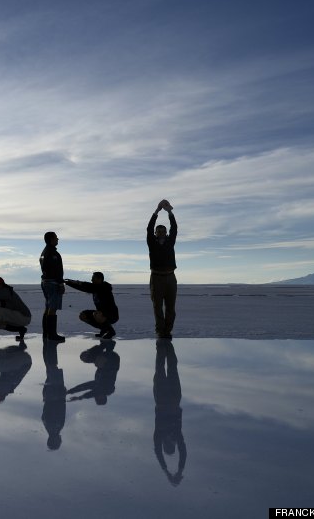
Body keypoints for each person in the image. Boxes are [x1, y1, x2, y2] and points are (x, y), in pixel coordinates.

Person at [154, 339, 186, 486]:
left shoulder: (159, 435)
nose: (172, 442)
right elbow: (183, 452)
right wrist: (178, 471)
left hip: (162, 398)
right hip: (173, 398)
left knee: (161, 368)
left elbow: (158, 452)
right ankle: (167, 344)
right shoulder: (177, 434)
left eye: (169, 444)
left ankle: (162, 344)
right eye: (173, 445)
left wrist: (167, 471)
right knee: (172, 368)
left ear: (164, 444)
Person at [147, 200, 178, 339]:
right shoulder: (152, 243)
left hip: (170, 277)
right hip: (156, 278)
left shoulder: (170, 242)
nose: (160, 232)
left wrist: (169, 212)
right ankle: (160, 331)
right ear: (155, 233)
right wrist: (157, 211)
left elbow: (175, 228)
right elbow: (149, 228)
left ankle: (168, 330)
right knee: (157, 307)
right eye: (158, 231)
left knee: (170, 307)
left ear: (166, 233)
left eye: (163, 231)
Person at [64, 272, 119, 339]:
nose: (91, 280)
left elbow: (86, 286)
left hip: (112, 315)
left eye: (93, 278)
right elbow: (85, 287)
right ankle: (104, 328)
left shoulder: (104, 288)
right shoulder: (95, 288)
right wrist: (69, 283)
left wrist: (70, 283)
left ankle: (111, 331)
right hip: (102, 314)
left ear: (99, 279)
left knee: (97, 314)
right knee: (83, 315)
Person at [39, 231, 65, 342]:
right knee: (52, 308)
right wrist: (60, 283)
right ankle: (52, 335)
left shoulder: (44, 252)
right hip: (52, 283)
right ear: (51, 239)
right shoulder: (52, 253)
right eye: (56, 238)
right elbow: (56, 270)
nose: (58, 239)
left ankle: (46, 333)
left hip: (45, 282)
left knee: (48, 307)